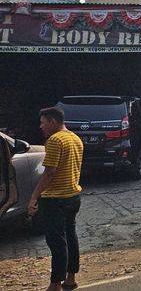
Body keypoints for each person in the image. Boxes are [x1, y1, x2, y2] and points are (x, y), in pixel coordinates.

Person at [27, 107, 84, 291]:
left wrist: (34, 197)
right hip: (73, 197)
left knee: (57, 242)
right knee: (70, 237)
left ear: (53, 121)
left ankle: (55, 284)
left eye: (43, 122)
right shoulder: (75, 138)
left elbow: (49, 173)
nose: (40, 127)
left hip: (55, 199)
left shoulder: (54, 140)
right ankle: (70, 278)